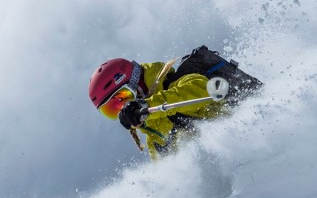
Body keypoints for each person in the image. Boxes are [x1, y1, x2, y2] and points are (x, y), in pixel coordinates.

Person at [88, 45, 262, 158]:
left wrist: (148, 105)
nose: (123, 109)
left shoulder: (179, 82)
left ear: (136, 83)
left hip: (253, 134)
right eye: (111, 110)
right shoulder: (155, 139)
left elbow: (199, 87)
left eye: (122, 99)